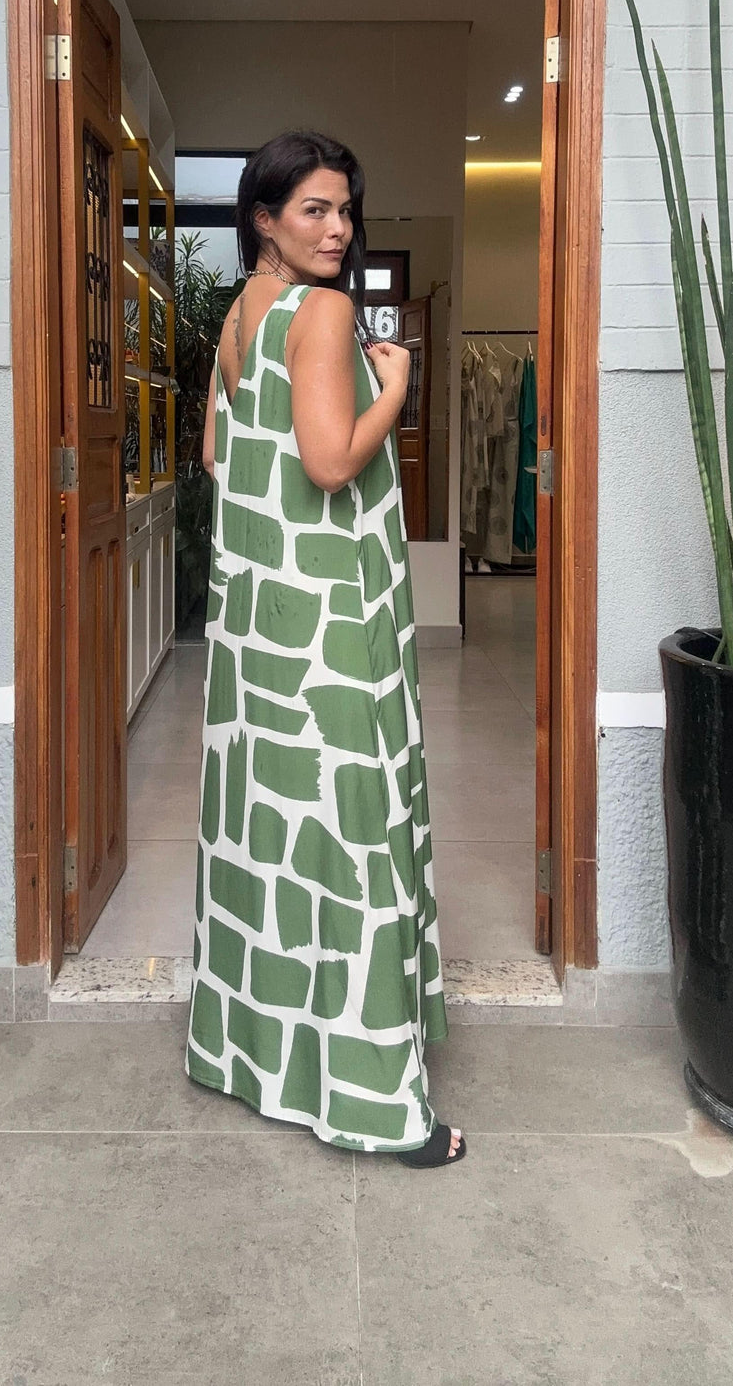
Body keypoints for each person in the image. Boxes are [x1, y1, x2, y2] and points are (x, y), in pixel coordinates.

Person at [185, 129, 464, 1167]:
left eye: (345, 209)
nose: (338, 228)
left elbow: (217, 453)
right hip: (329, 620)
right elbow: (331, 461)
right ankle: (376, 1103)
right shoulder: (327, 312)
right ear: (263, 217)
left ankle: (257, 1058)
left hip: (260, 621)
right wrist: (396, 388)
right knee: (352, 829)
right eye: (314, 208)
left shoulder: (239, 314)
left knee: (273, 831)